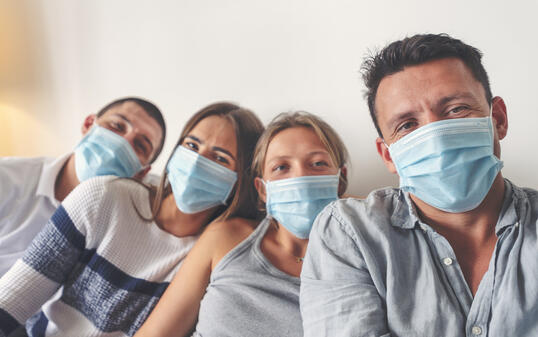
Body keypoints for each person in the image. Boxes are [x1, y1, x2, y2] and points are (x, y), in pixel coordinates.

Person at [300, 33, 538, 337]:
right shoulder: (350, 233)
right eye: (407, 125)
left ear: (499, 119)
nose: (437, 136)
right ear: (388, 155)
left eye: (456, 109)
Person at [0, 102, 264, 336]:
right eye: (192, 145)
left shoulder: (216, 251)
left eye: (219, 158)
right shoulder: (103, 197)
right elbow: (12, 299)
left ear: (240, 181)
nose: (196, 162)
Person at [134, 111, 349, 337]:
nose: (300, 178)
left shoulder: (357, 258)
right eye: (281, 167)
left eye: (317, 163)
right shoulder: (226, 237)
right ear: (263, 190)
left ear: (340, 180)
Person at [0, 97, 166, 277]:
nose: (123, 143)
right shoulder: (7, 177)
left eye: (140, 145)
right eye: (117, 126)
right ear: (88, 124)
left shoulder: (127, 225)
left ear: (141, 173)